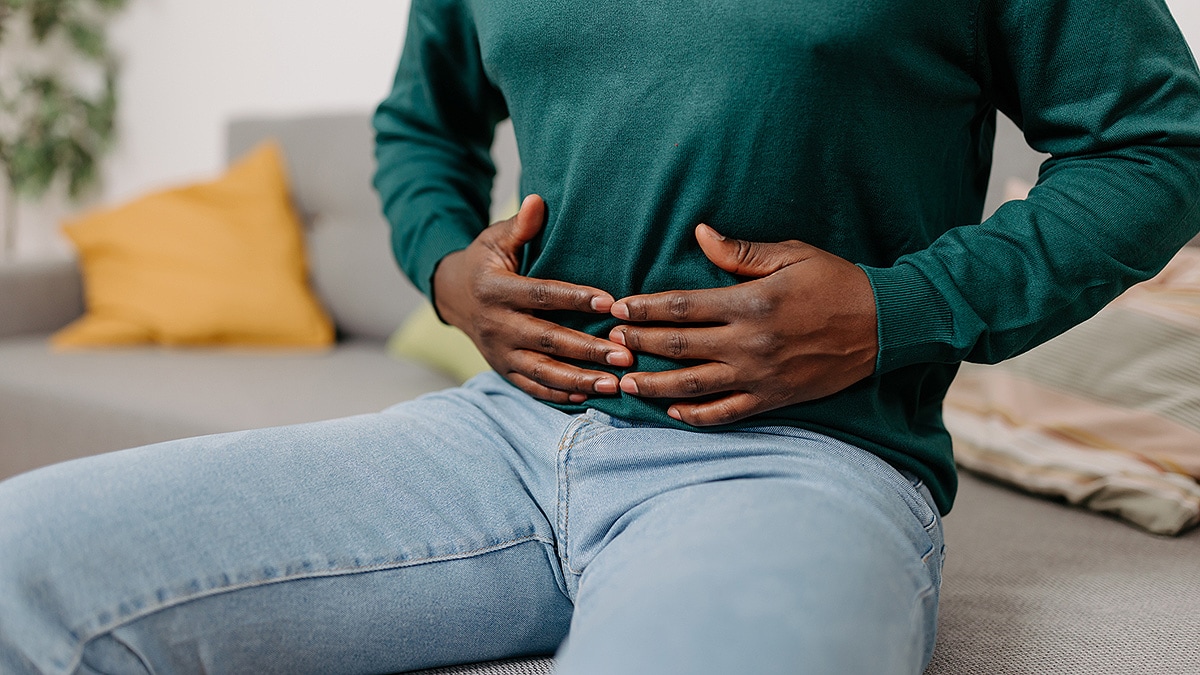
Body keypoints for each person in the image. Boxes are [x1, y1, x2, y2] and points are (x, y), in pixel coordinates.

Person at [2, 0, 1199, 673]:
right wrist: (448, 273)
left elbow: (1159, 143)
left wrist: (905, 308)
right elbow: (421, 125)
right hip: (496, 444)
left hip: (795, 463)